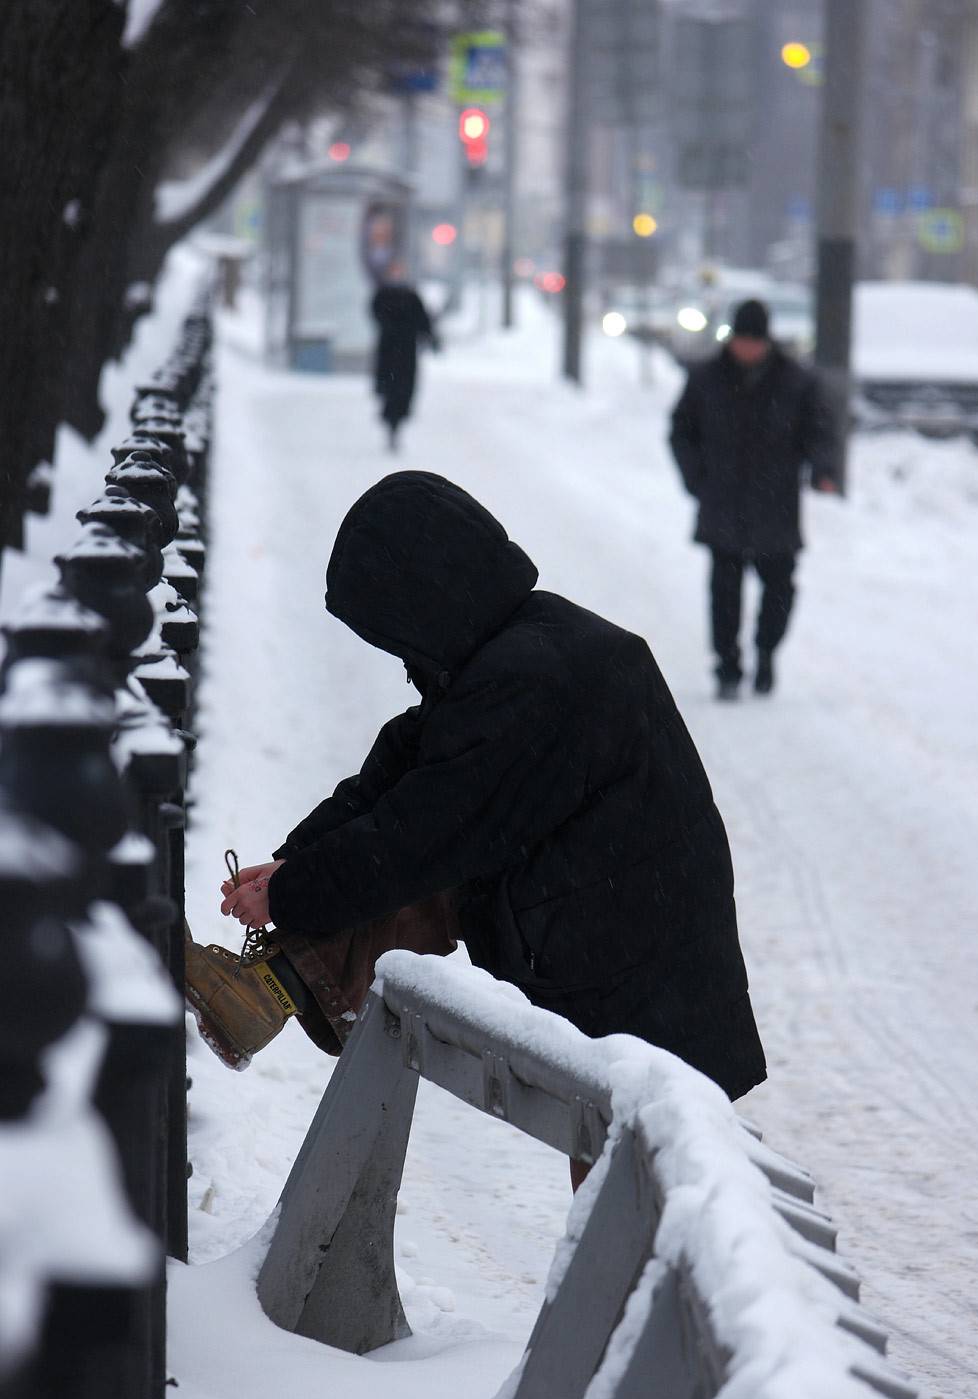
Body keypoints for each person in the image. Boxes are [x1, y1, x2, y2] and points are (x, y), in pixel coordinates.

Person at [187, 472, 766, 1184]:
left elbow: (420, 831)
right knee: (627, 1196)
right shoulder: (527, 641)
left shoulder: (530, 680)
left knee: (642, 1201)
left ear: (423, 601)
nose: (399, 657)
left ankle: (275, 990)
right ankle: (277, 986)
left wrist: (292, 893)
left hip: (641, 985)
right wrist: (295, 866)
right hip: (625, 952)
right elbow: (407, 767)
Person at [669, 298, 838, 700]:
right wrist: (696, 479)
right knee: (724, 594)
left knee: (779, 590)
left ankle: (765, 650)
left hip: (775, 505)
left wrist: (823, 469)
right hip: (723, 502)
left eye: (755, 341)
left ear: (766, 340)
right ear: (732, 338)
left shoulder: (795, 381)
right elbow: (681, 431)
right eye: (742, 340)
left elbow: (820, 430)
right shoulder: (706, 378)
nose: (748, 348)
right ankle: (727, 667)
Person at [371, 264, 438, 451]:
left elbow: (423, 320)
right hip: (389, 350)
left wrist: (430, 337)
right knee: (390, 389)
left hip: (406, 351)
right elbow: (376, 314)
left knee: (403, 390)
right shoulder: (383, 295)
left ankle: (396, 424)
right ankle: (391, 424)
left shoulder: (411, 296)